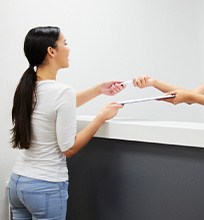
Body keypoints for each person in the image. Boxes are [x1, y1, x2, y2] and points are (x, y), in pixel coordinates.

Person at [8, 26, 124, 219]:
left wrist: (98, 89)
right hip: (45, 187)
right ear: (51, 51)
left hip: (18, 183)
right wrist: (101, 117)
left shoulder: (26, 88)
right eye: (65, 43)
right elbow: (68, 148)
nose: (68, 49)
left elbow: (57, 107)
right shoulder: (62, 92)